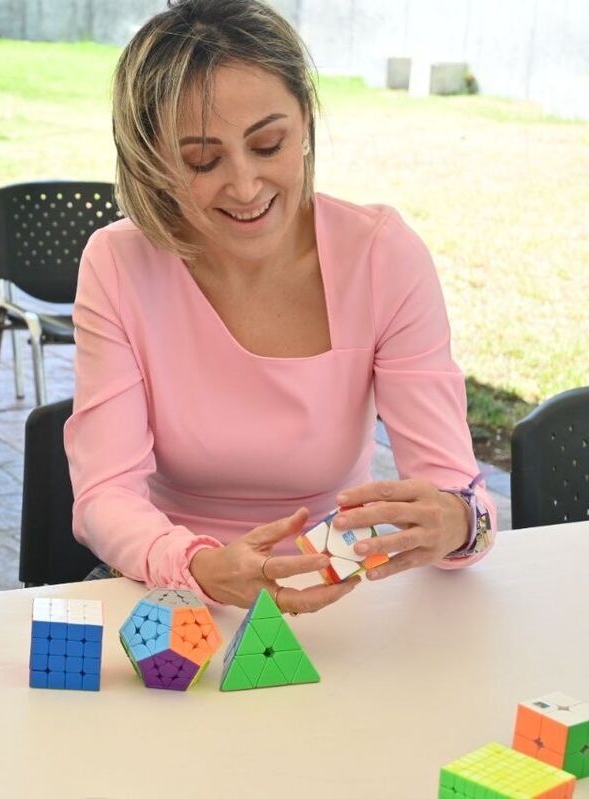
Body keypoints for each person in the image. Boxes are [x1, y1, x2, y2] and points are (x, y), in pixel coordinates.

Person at [66, 0, 495, 614]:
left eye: (268, 145)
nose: (244, 187)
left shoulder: (381, 255)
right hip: (174, 595)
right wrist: (199, 566)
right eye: (201, 161)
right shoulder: (117, 263)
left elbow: (458, 490)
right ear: (152, 164)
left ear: (306, 122)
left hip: (341, 602)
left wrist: (456, 522)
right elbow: (104, 493)